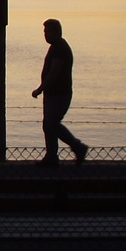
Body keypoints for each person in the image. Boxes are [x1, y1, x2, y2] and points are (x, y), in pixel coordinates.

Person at [31, 18, 88, 165]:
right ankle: (51, 156)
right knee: (48, 124)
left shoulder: (60, 48)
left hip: (59, 94)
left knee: (52, 123)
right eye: (44, 31)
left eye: (48, 31)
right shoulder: (55, 46)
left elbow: (54, 72)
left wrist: (40, 89)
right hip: (52, 94)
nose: (45, 34)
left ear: (56, 32)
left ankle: (77, 147)